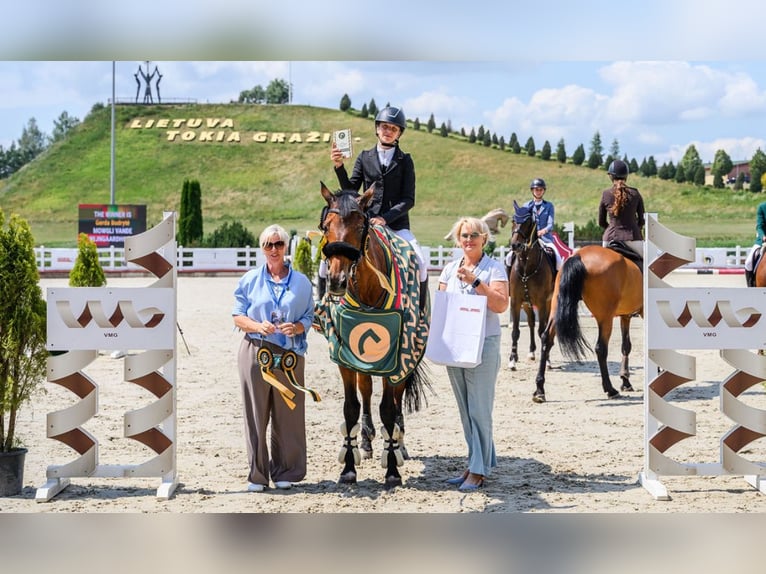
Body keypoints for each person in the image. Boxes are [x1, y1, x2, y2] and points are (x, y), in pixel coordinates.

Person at [232, 224, 315, 492]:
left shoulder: (301, 283)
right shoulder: (249, 280)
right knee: (255, 413)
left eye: (279, 244)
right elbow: (237, 315)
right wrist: (257, 326)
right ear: (262, 248)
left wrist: (298, 327)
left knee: (288, 413)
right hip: (257, 351)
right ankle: (257, 474)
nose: (274, 249)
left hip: (289, 355)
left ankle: (286, 471)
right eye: (268, 245)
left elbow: (309, 316)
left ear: (286, 247)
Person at [330, 105, 429, 307]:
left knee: (420, 262)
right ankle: (325, 308)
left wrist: (385, 218)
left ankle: (419, 313)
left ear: (399, 133)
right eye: (384, 127)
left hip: (397, 226)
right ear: (377, 129)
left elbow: (408, 199)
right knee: (331, 261)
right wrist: (339, 167)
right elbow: (350, 190)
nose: (388, 131)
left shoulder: (405, 161)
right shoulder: (364, 157)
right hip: (367, 225)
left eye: (393, 129)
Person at [438, 217, 509, 492]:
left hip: (483, 344)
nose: (469, 240)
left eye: (474, 235)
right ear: (458, 239)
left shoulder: (494, 269)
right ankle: (476, 462)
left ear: (484, 239)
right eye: (464, 235)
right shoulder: (448, 270)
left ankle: (479, 471)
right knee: (466, 410)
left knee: (480, 409)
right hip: (456, 345)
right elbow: (443, 305)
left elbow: (501, 304)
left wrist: (476, 281)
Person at [504, 178, 562, 274]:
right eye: (536, 189)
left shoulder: (549, 206)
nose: (538, 192)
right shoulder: (526, 205)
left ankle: (556, 283)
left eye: (541, 190)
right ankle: (508, 282)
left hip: (545, 239)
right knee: (509, 257)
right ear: (532, 190)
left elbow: (550, 224)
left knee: (558, 260)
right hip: (527, 239)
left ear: (543, 191)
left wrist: (543, 231)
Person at [598, 159, 645, 257]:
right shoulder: (635, 194)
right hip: (632, 238)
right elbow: (641, 220)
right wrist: (635, 228)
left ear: (611, 176)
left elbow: (601, 222)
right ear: (626, 176)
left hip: (610, 239)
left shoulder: (606, 194)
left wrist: (611, 229)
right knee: (646, 267)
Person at [744, 201, 766, 287]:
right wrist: (763, 236)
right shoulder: (762, 207)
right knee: (748, 262)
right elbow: (759, 226)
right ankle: (750, 287)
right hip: (763, 241)